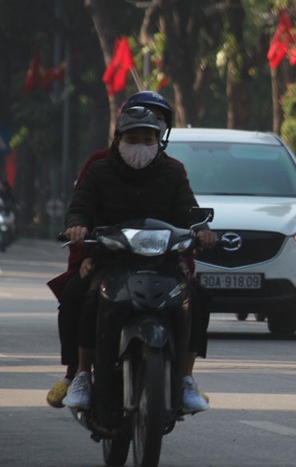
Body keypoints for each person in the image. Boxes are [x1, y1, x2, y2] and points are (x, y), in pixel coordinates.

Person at [46, 91, 211, 410]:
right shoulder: (98, 170)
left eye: (148, 137)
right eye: (132, 138)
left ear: (159, 139)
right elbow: (80, 207)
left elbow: (188, 210)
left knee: (198, 298)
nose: (140, 145)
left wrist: (201, 231)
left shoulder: (173, 171)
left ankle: (186, 378)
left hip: (163, 261)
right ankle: (79, 373)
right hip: (110, 259)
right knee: (78, 296)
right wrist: (77, 227)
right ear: (118, 138)